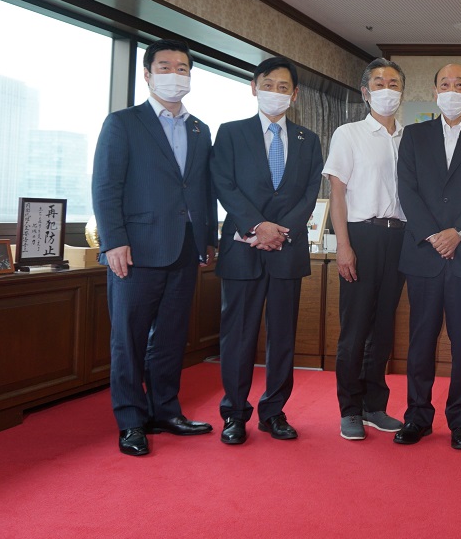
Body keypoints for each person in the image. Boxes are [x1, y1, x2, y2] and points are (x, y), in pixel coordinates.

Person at [92, 38, 217, 456]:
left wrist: (209, 241)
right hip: (135, 250)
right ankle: (131, 420)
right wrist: (114, 242)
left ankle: (165, 410)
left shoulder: (200, 130)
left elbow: (202, 191)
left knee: (170, 337)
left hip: (185, 248)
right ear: (147, 74)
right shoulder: (123, 123)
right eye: (165, 67)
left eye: (182, 68)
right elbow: (106, 187)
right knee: (127, 338)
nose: (174, 75)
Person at [211, 57, 324, 444]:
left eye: (283, 87)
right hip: (243, 249)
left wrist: (282, 231)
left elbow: (311, 191)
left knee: (283, 337)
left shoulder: (310, 139)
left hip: (287, 251)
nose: (275, 93)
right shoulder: (230, 133)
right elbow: (224, 184)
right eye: (268, 84)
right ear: (254, 87)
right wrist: (258, 226)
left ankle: (274, 412)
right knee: (237, 336)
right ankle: (235, 414)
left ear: (294, 95)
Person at [394, 63, 461, 450]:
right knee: (420, 340)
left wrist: (458, 232)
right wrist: (432, 235)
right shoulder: (414, 135)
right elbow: (406, 189)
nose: (452, 89)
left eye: (460, 84)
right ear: (435, 90)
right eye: (445, 83)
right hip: (423, 254)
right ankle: (416, 416)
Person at [323, 57, 409, 441]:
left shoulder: (411, 138)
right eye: (379, 82)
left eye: (393, 82)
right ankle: (350, 408)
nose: (386, 88)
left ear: (402, 92)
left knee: (384, 326)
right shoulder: (349, 133)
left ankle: (375, 405)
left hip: (399, 237)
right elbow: (337, 192)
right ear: (365, 91)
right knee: (355, 327)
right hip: (361, 233)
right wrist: (343, 244)